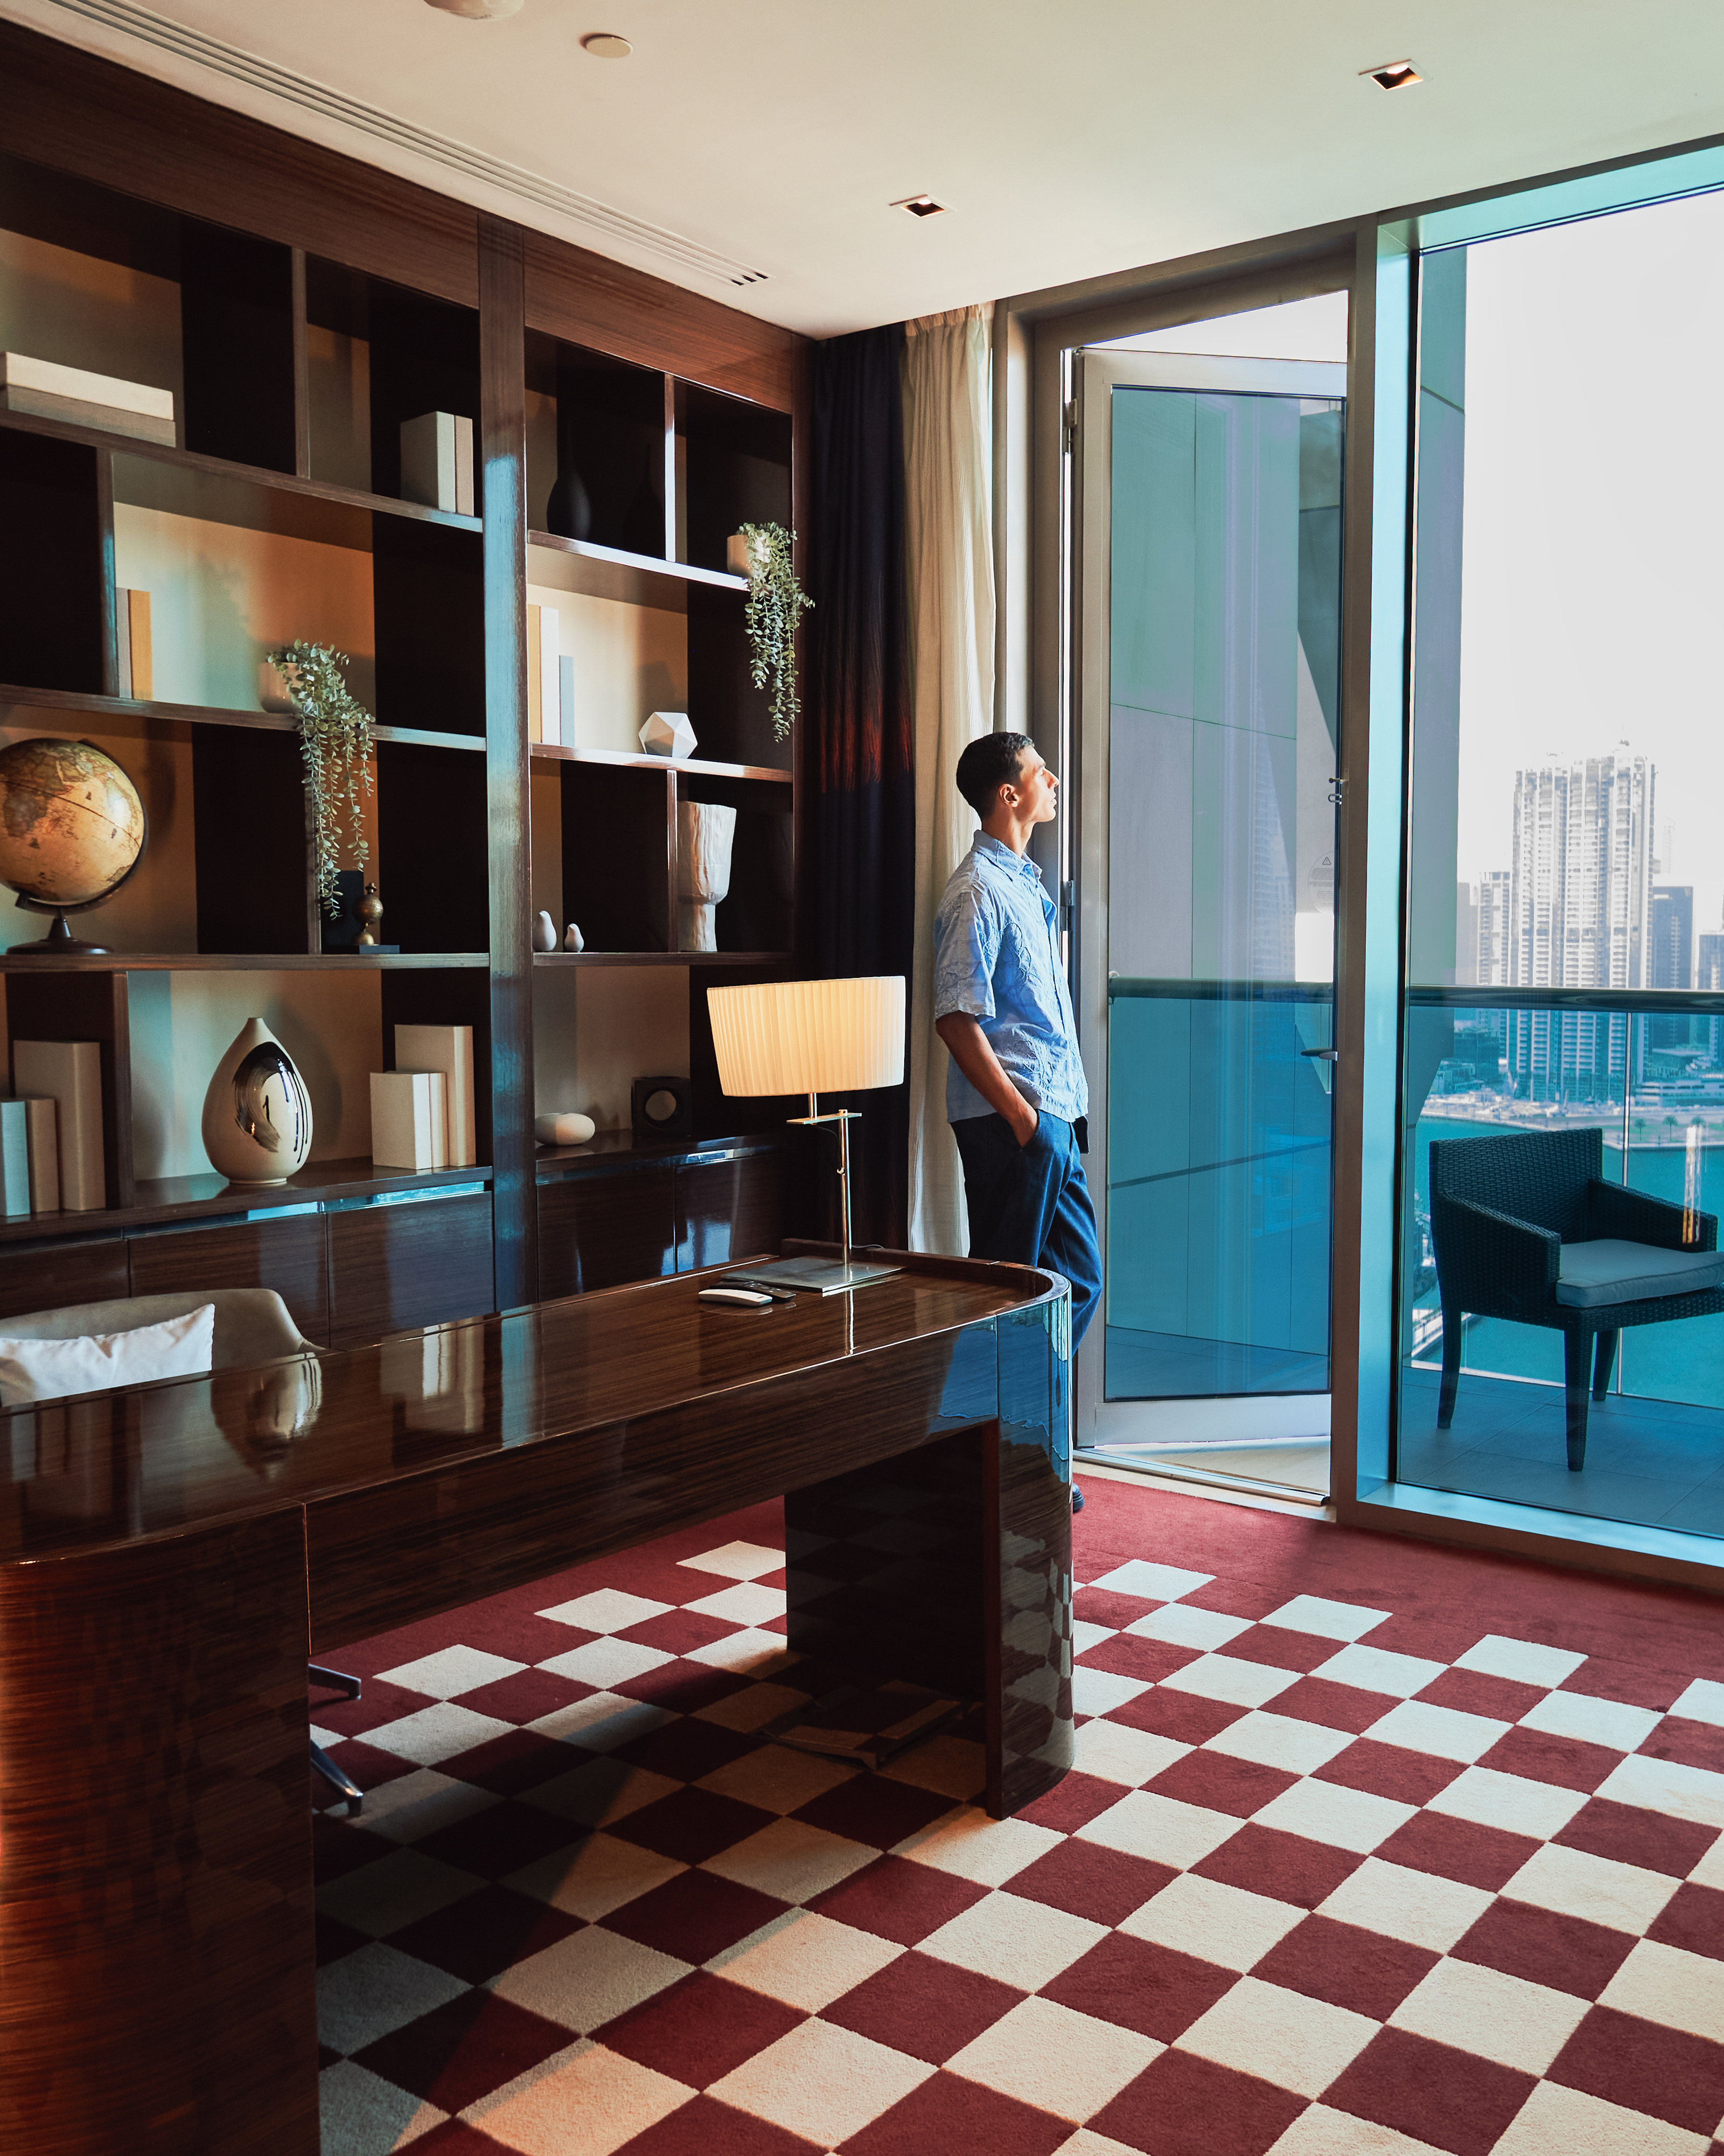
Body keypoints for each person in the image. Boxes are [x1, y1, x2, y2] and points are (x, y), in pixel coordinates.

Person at [934, 731, 1102, 1358]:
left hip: (1049, 1120)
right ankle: (975, 1438)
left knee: (1077, 1284)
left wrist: (1045, 1123)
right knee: (1004, 1299)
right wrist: (1024, 1120)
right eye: (1041, 772)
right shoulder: (977, 891)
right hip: (1012, 1126)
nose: (1053, 780)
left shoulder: (1024, 887)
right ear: (1010, 794)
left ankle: (1019, 1429)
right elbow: (955, 1019)